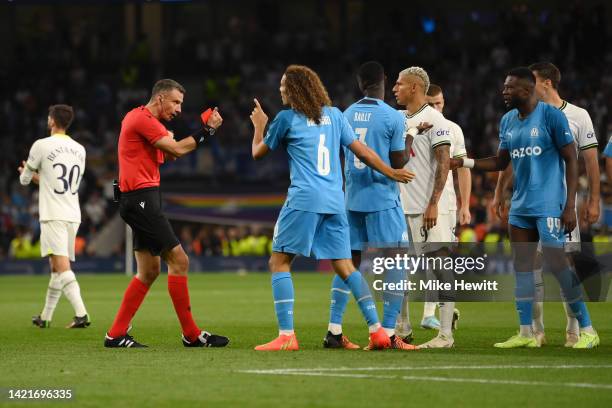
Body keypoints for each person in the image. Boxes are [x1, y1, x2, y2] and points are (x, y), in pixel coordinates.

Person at [249, 64, 415, 351]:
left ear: (297, 89)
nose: (280, 90)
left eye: (283, 86)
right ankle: (377, 331)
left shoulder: (286, 119)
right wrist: (390, 172)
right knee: (346, 266)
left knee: (279, 262)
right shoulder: (335, 116)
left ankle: (286, 336)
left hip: (303, 200)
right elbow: (362, 151)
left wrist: (259, 126)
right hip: (335, 201)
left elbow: (257, 153)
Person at [452, 67, 599, 349]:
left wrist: (569, 205)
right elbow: (499, 162)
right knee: (522, 267)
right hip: (521, 206)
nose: (504, 92)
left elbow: (572, 159)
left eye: (510, 88)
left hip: (549, 205)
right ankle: (526, 332)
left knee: (558, 264)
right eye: (504, 87)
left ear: (528, 89)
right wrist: (464, 162)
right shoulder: (507, 120)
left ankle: (588, 331)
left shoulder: (551, 116)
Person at [104, 79, 228, 348]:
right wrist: (206, 131)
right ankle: (191, 335)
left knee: (148, 271)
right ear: (160, 98)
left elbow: (171, 154)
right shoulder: (142, 118)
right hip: (140, 198)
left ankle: (115, 334)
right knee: (179, 260)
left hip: (139, 198)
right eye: (176, 102)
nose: (179, 109)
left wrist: (183, 136)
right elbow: (176, 149)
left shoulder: (150, 124)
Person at [323, 61, 425, 351]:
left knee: (348, 265)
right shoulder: (393, 117)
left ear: (359, 85)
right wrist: (411, 135)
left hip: (351, 201)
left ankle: (334, 330)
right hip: (382, 200)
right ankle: (390, 333)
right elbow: (398, 162)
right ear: (384, 80)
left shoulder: (345, 114)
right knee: (395, 261)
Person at [392, 67, 457, 349]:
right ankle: (402, 329)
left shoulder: (436, 120)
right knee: (398, 270)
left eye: (399, 84)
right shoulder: (396, 119)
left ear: (415, 88)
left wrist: (433, 203)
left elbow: (444, 163)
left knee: (440, 268)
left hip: (428, 209)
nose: (394, 88)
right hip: (400, 208)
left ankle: (445, 335)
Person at [19, 104, 90, 329]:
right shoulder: (80, 149)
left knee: (62, 265)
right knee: (55, 266)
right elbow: (64, 183)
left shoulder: (41, 145)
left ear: (51, 120)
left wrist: (27, 174)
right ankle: (46, 317)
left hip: (53, 214)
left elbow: (24, 180)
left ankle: (81, 314)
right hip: (72, 212)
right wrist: (40, 178)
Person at [420, 83, 472, 332]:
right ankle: (409, 320)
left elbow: (463, 167)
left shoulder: (453, 129)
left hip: (446, 204)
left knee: (438, 258)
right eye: (430, 104)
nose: (435, 108)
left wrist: (465, 205)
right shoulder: (413, 126)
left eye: (439, 103)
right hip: (415, 202)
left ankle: (432, 314)